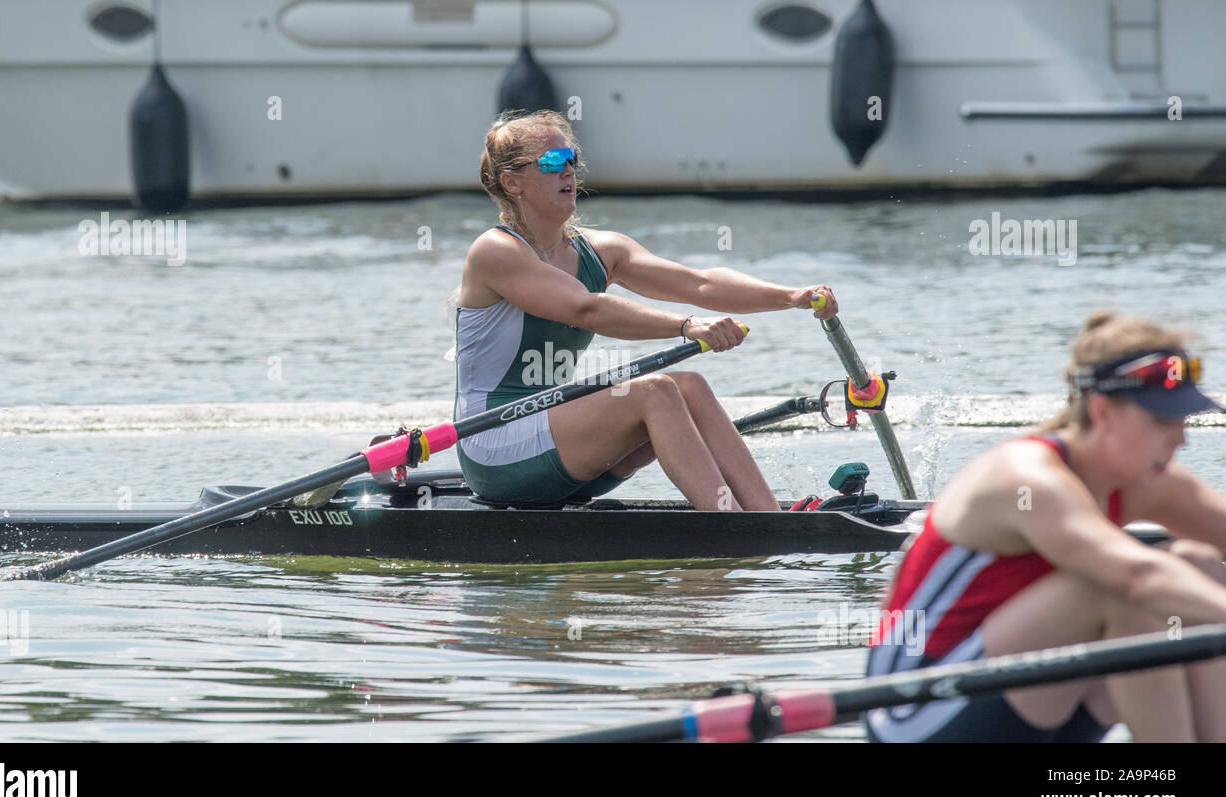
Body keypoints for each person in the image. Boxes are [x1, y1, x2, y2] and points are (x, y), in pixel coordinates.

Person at [866, 311, 1226, 742]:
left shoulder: (1147, 480)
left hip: (1024, 706)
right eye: (1162, 421)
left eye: (1183, 420)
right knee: (1127, 591)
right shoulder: (1026, 478)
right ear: (1102, 410)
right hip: (915, 711)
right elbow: (1139, 578)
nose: (1180, 439)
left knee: (1199, 565)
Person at [454, 109, 837, 511]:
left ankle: (765, 518)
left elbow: (698, 283)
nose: (569, 172)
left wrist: (790, 296)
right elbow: (586, 309)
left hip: (558, 439)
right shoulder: (495, 252)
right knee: (655, 392)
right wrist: (686, 326)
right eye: (552, 163)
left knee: (689, 386)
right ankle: (729, 523)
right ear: (512, 182)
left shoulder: (602, 251)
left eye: (572, 160)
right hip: (495, 446)